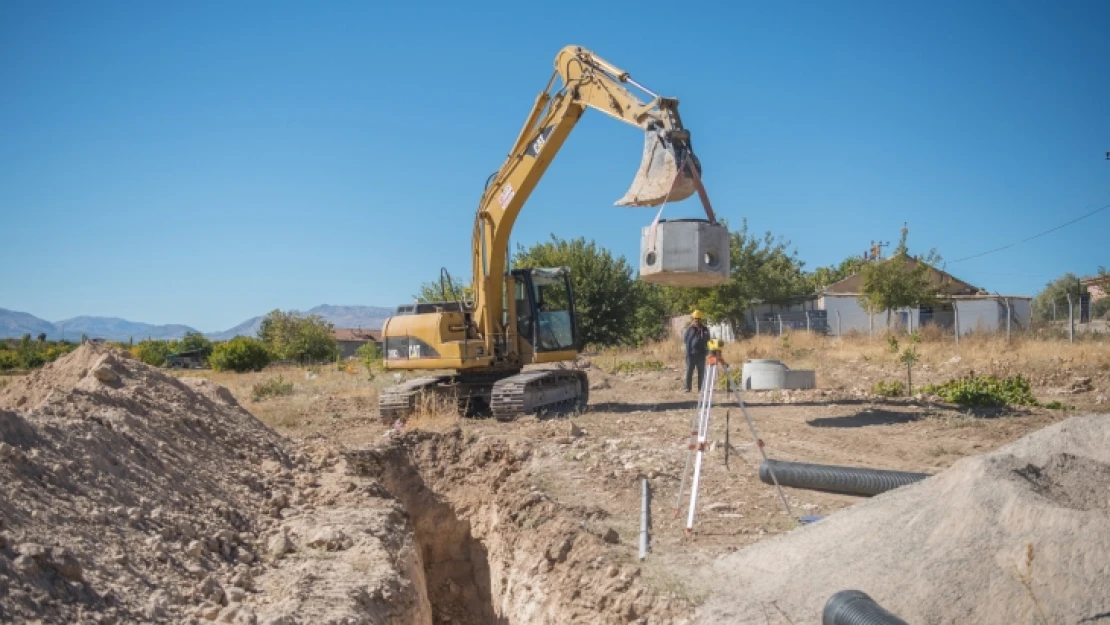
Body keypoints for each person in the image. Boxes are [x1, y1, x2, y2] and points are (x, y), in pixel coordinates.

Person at [683, 311, 711, 392]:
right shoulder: (689, 329)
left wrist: (701, 332)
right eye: (695, 319)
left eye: (698, 319)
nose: (697, 321)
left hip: (701, 354)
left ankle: (701, 388)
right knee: (689, 371)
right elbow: (685, 339)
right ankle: (687, 388)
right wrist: (691, 328)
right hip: (691, 354)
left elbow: (707, 340)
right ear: (693, 320)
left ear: (700, 320)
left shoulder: (705, 329)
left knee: (701, 372)